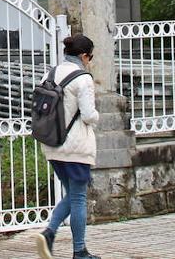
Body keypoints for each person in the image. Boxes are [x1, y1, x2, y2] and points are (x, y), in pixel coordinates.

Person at [35, 34, 101, 259]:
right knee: (79, 198)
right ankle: (78, 250)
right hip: (76, 148)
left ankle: (49, 234)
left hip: (53, 146)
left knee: (73, 195)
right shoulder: (83, 78)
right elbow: (89, 114)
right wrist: (97, 116)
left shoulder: (50, 73)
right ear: (84, 56)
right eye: (90, 57)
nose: (89, 61)